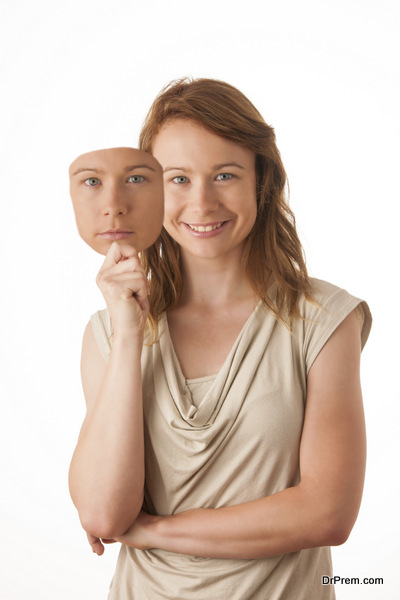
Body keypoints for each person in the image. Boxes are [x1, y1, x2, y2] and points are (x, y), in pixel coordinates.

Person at [69, 78, 372, 600]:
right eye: (178, 179)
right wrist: (127, 334)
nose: (201, 202)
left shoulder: (323, 319)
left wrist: (152, 531)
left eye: (225, 175)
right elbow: (101, 512)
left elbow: (327, 513)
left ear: (261, 181)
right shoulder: (107, 334)